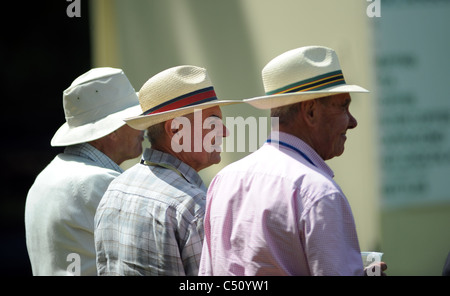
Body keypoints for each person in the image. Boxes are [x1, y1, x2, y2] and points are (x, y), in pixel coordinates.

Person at [199, 46, 387, 276]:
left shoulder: (225, 179)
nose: (352, 121)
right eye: (343, 106)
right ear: (310, 112)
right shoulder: (318, 193)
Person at [94, 65, 238, 276]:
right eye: (213, 122)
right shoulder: (191, 206)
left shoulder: (116, 188)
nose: (224, 132)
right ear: (176, 129)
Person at [25, 67, 144, 276]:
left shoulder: (46, 176)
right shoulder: (101, 182)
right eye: (134, 118)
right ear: (112, 131)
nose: (143, 127)